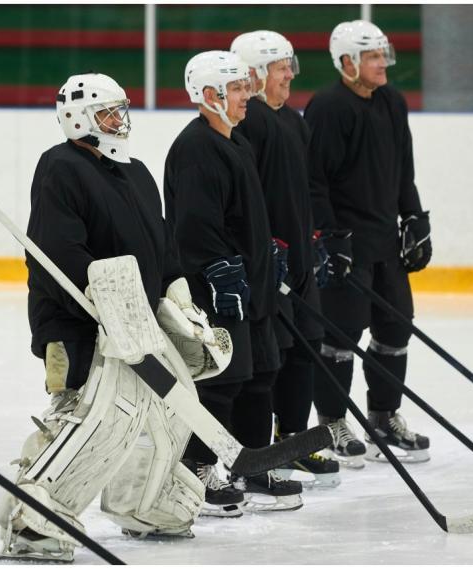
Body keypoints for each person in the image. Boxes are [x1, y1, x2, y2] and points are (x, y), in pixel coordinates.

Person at [0, 72, 230, 562]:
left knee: (166, 409)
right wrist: (106, 301)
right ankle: (34, 519)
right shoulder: (60, 167)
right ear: (78, 119)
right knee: (87, 420)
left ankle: (146, 502)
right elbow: (59, 252)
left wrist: (178, 298)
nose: (119, 120)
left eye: (120, 110)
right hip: (78, 326)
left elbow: (162, 249)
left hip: (140, 326)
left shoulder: (136, 172)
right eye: (107, 113)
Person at [164, 50, 294, 515]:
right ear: (209, 96)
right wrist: (219, 271)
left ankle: (252, 464)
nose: (247, 96)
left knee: (262, 370)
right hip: (217, 289)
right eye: (237, 89)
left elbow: (247, 217)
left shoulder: (236, 141)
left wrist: (267, 257)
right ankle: (196, 472)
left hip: (249, 283)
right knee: (223, 380)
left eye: (244, 86)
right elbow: (194, 227)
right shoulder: (197, 147)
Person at [304, 20, 433, 468]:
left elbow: (403, 171)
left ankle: (382, 416)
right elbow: (314, 180)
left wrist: (414, 217)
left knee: (396, 331)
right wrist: (327, 236)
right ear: (347, 63)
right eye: (372, 57)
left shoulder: (393, 103)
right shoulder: (327, 108)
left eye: (383, 55)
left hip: (384, 243)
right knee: (341, 336)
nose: (382, 64)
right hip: (346, 243)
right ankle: (333, 421)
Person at [231, 30, 340, 490]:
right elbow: (248, 197)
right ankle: (262, 450)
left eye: (290, 68)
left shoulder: (293, 121)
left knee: (304, 348)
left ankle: (295, 439)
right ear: (255, 74)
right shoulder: (250, 122)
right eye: (281, 69)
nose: (289, 77)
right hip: (267, 261)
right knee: (272, 353)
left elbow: (304, 189)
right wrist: (267, 248)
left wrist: (315, 237)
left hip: (297, 258)